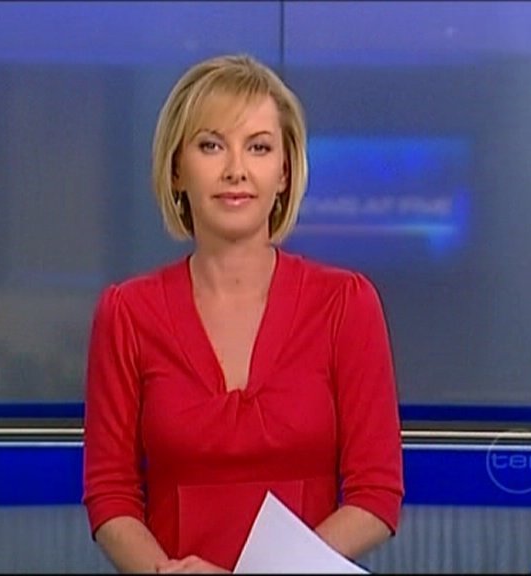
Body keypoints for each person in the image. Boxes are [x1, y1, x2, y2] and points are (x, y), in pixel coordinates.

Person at [82, 53, 404, 574]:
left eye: (258, 147)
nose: (236, 169)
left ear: (284, 172)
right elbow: (111, 493)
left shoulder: (346, 304)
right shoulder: (127, 313)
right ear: (177, 170)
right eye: (211, 145)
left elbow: (377, 494)